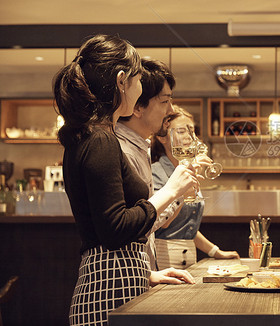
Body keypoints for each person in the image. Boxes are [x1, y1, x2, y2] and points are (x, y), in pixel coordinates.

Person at [53, 34, 198, 326]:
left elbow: (104, 233)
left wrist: (146, 273)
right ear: (122, 81)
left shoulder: (92, 136)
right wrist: (170, 191)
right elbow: (114, 228)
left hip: (117, 282)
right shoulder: (101, 139)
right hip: (109, 292)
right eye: (138, 79)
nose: (140, 87)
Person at [115, 58, 200, 270]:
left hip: (141, 272)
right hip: (121, 281)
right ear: (137, 107)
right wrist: (176, 191)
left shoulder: (141, 148)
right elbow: (127, 228)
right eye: (165, 101)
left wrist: (150, 275)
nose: (170, 110)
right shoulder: (120, 149)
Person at [151, 105, 240, 269]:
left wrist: (215, 251)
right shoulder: (156, 172)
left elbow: (187, 227)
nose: (190, 137)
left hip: (191, 258)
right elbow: (164, 223)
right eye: (181, 131)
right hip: (163, 260)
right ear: (162, 137)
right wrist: (183, 192)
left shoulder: (189, 170)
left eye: (192, 131)